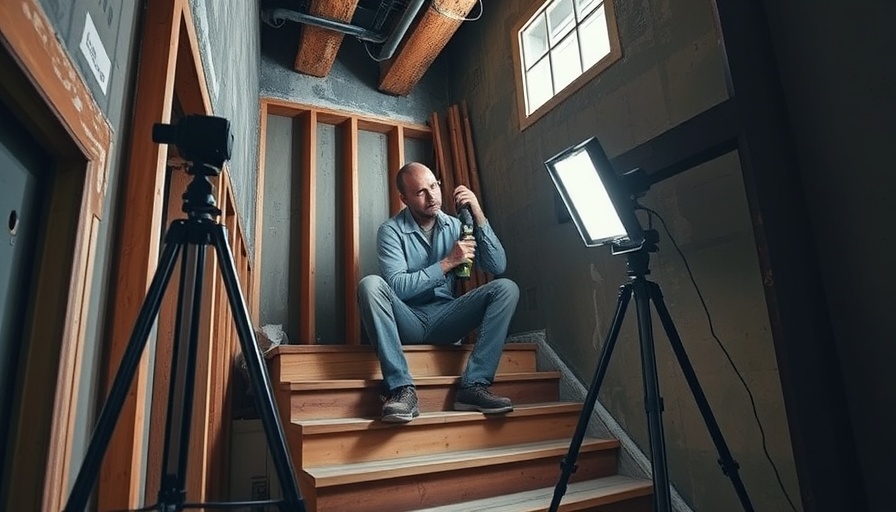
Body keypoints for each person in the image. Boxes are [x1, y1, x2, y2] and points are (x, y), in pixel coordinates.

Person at [357, 162, 520, 423]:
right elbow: (398, 287)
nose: (432, 196)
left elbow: (497, 265)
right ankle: (401, 390)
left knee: (506, 289)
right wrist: (448, 263)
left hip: (447, 318)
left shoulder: (457, 226)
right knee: (370, 285)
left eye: (434, 186)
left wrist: (478, 213)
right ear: (404, 198)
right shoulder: (390, 232)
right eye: (420, 191)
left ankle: (473, 386)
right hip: (407, 320)